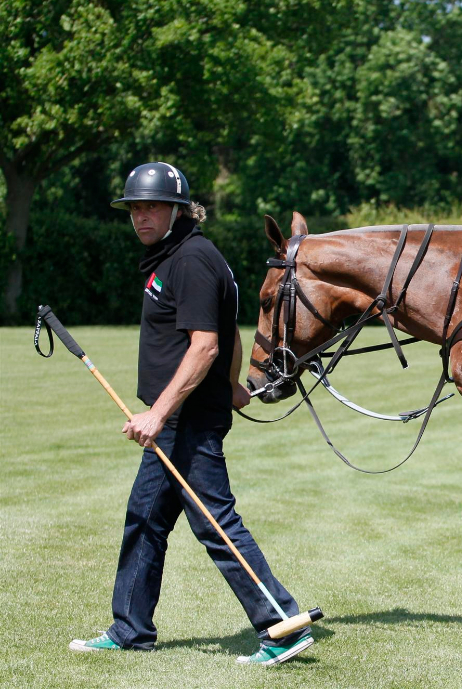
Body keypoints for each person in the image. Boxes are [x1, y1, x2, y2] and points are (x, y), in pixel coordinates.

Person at [68, 162, 313, 665]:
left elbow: (206, 345)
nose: (141, 216)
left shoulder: (192, 260)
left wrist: (158, 413)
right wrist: (232, 386)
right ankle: (130, 628)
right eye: (134, 208)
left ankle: (282, 625)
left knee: (215, 524)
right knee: (145, 519)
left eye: (152, 207)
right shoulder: (175, 255)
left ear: (179, 210)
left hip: (187, 420)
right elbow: (230, 330)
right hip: (180, 417)